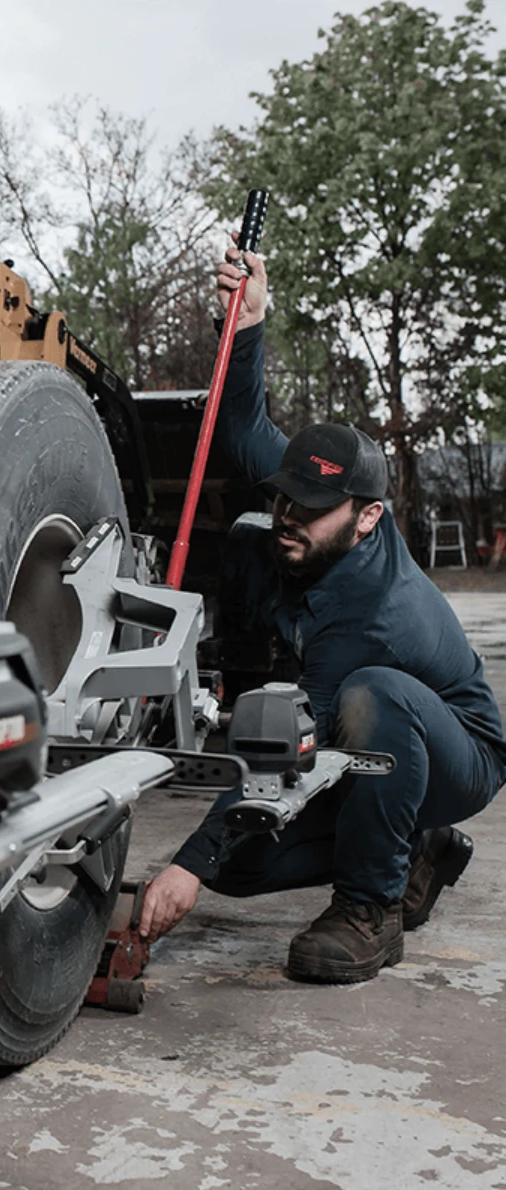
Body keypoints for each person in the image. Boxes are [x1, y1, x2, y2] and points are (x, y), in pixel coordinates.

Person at [138, 236, 506, 983]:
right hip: (373, 742)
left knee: (374, 697)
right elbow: (242, 432)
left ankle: (372, 907)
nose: (289, 515)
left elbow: (285, 755)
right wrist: (247, 323)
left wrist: (185, 862)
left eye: (311, 509)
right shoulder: (310, 511)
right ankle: (417, 846)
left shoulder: (375, 614)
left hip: (457, 755)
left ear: (367, 518)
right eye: (287, 496)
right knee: (237, 867)